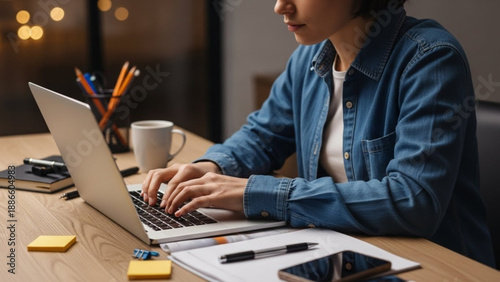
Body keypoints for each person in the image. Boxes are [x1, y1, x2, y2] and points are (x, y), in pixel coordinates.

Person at [142, 0, 496, 267]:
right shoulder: (308, 59)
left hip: (438, 267)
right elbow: (263, 136)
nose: (280, 6)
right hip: (347, 255)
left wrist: (260, 192)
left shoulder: (429, 59)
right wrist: (213, 167)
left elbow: (413, 200)